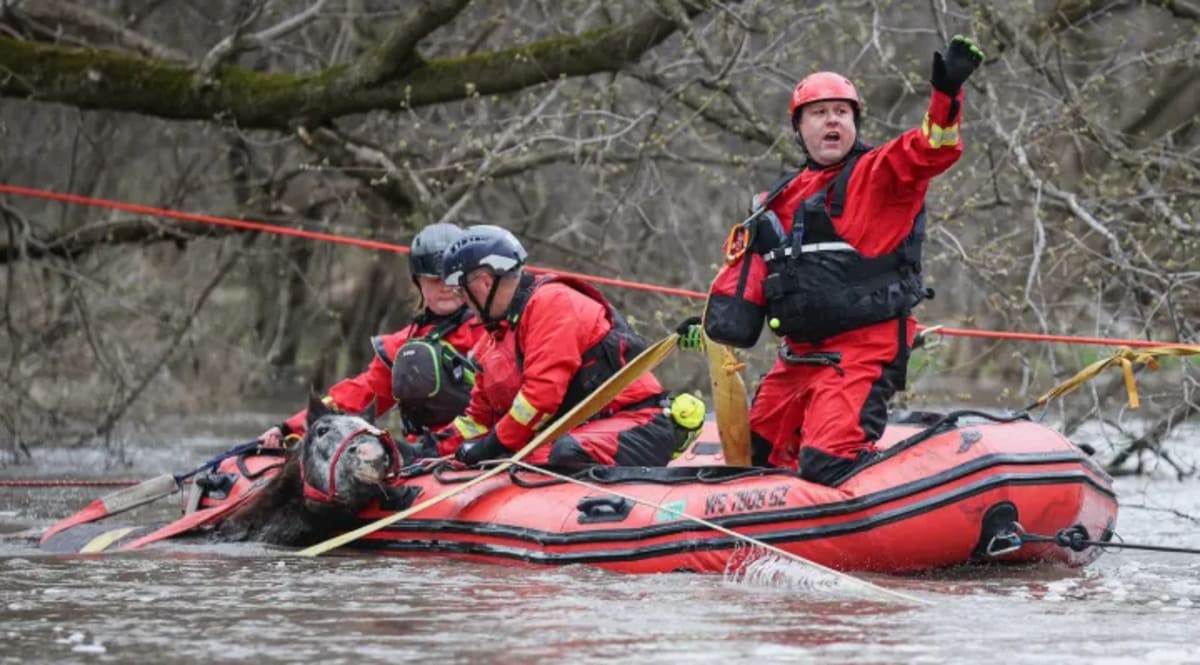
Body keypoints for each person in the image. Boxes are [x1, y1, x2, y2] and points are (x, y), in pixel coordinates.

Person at [681, 36, 984, 485]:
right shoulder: (775, 200)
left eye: (841, 112)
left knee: (828, 464)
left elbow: (932, 149)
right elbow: (751, 276)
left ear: (854, 123)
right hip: (798, 359)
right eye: (819, 113)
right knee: (753, 456)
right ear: (799, 127)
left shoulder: (881, 174)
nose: (832, 121)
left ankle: (918, 491)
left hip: (862, 352)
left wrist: (947, 95)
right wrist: (705, 324)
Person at [431, 225, 690, 469]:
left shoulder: (552, 303)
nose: (463, 301)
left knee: (555, 456)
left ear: (484, 283)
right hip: (575, 432)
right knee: (530, 458)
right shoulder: (493, 339)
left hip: (635, 422)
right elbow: (478, 418)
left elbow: (540, 398)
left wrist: (490, 446)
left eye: (461, 292)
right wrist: (427, 450)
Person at [257, 223, 486, 452]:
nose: (445, 287)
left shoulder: (494, 331)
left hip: (488, 451)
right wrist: (288, 428)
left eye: (452, 279)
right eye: (435, 280)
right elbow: (357, 396)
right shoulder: (404, 348)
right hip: (426, 457)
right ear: (418, 282)